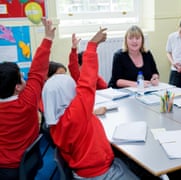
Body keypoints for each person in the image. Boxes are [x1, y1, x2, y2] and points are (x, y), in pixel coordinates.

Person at [42, 28, 138, 180]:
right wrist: (92, 45)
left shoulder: (54, 121)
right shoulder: (76, 114)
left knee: (126, 162)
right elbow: (87, 82)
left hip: (84, 170)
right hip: (101, 172)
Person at [0, 18, 55, 179]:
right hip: (29, 161)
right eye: (21, 77)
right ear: (17, 87)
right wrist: (48, 38)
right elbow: (37, 71)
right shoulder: (28, 100)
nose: (25, 78)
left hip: (5, 169)